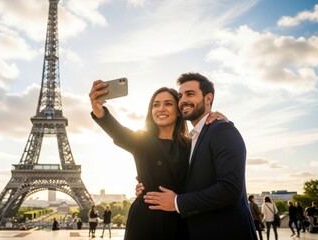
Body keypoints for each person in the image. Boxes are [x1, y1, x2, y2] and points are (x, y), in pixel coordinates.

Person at [90, 81, 224, 240]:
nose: (161, 109)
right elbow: (117, 131)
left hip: (179, 221)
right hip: (145, 221)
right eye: (156, 105)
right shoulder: (142, 140)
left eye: (168, 104)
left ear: (179, 111)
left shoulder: (191, 144)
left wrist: (218, 120)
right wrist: (98, 110)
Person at [141, 72, 257, 240]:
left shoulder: (222, 130)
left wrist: (177, 202)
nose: (183, 100)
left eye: (190, 94)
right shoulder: (192, 140)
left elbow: (230, 189)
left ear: (208, 98)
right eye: (180, 96)